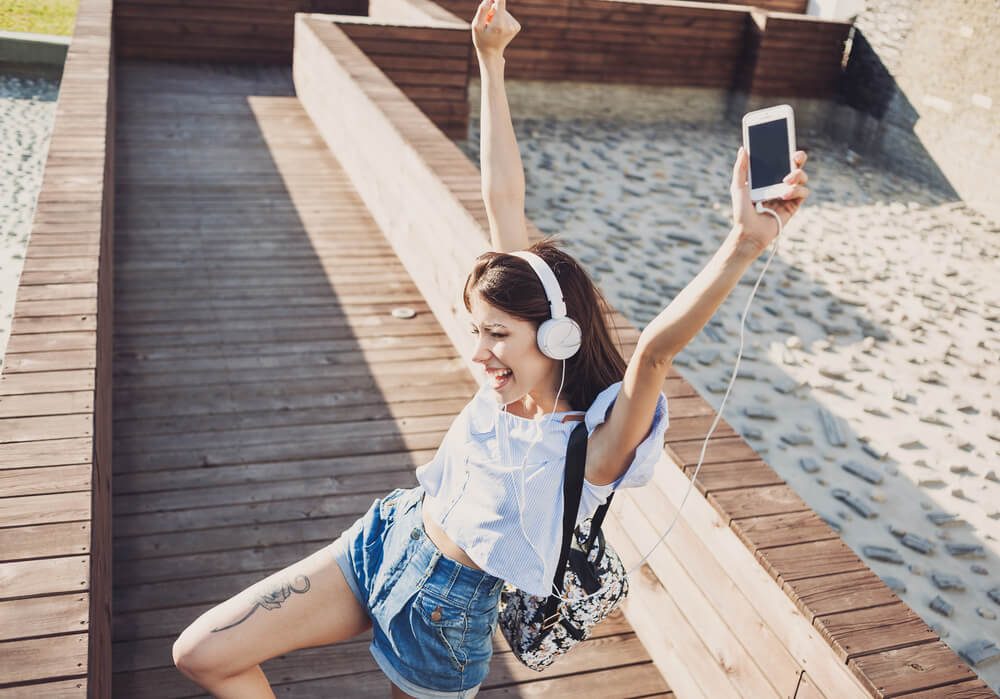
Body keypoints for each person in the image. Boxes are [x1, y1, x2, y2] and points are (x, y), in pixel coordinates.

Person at [170, 0, 810, 696]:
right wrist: (491, 61)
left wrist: (743, 242)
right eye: (478, 329)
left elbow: (654, 353)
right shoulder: (505, 381)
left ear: (559, 333)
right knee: (203, 650)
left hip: (446, 615)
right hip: (386, 537)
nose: (480, 352)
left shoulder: (592, 446)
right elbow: (503, 196)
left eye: (498, 334)